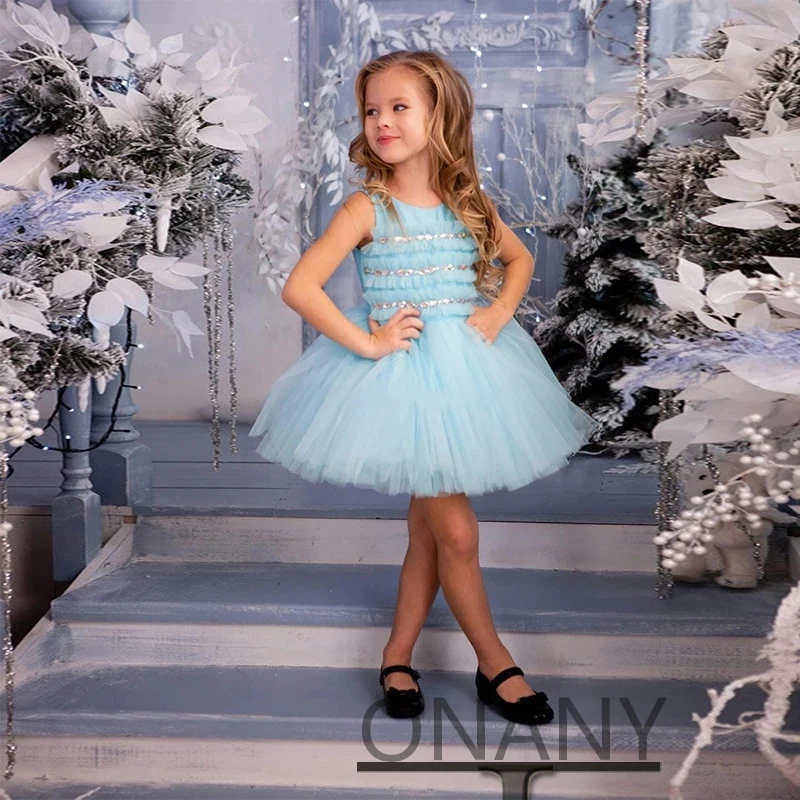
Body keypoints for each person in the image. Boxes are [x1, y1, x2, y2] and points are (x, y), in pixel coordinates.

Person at [249, 50, 599, 725]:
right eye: (371, 110)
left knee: (427, 533)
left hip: (464, 380)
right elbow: (301, 287)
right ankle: (495, 663)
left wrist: (498, 312)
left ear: (441, 116)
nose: (381, 121)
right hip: (404, 383)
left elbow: (519, 259)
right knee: (457, 533)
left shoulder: (467, 203)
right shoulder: (367, 207)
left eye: (399, 107)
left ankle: (397, 655)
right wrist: (369, 344)